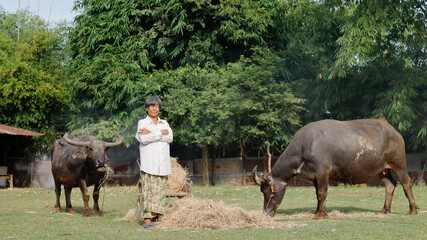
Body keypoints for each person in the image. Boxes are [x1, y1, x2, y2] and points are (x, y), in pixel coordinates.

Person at [135, 96, 173, 228]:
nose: (155, 108)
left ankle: (158, 218)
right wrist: (159, 133)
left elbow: (170, 137)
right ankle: (147, 220)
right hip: (149, 164)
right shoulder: (142, 123)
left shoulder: (164, 123)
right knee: (148, 191)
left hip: (162, 163)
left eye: (157, 106)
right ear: (146, 108)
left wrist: (151, 133)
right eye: (152, 106)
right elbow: (143, 139)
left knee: (160, 191)